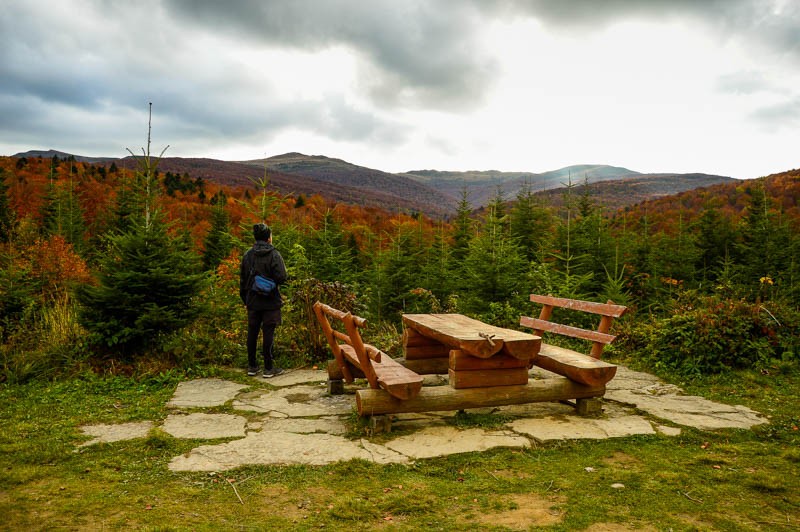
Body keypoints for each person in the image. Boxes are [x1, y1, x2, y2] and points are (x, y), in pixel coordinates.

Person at [240, 223, 288, 377]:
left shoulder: (248, 255)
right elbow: (282, 277)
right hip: (271, 300)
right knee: (268, 332)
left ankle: (252, 366)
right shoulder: (274, 254)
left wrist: (245, 300)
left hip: (253, 300)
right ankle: (269, 368)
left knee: (252, 332)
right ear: (269, 238)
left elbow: (243, 280)